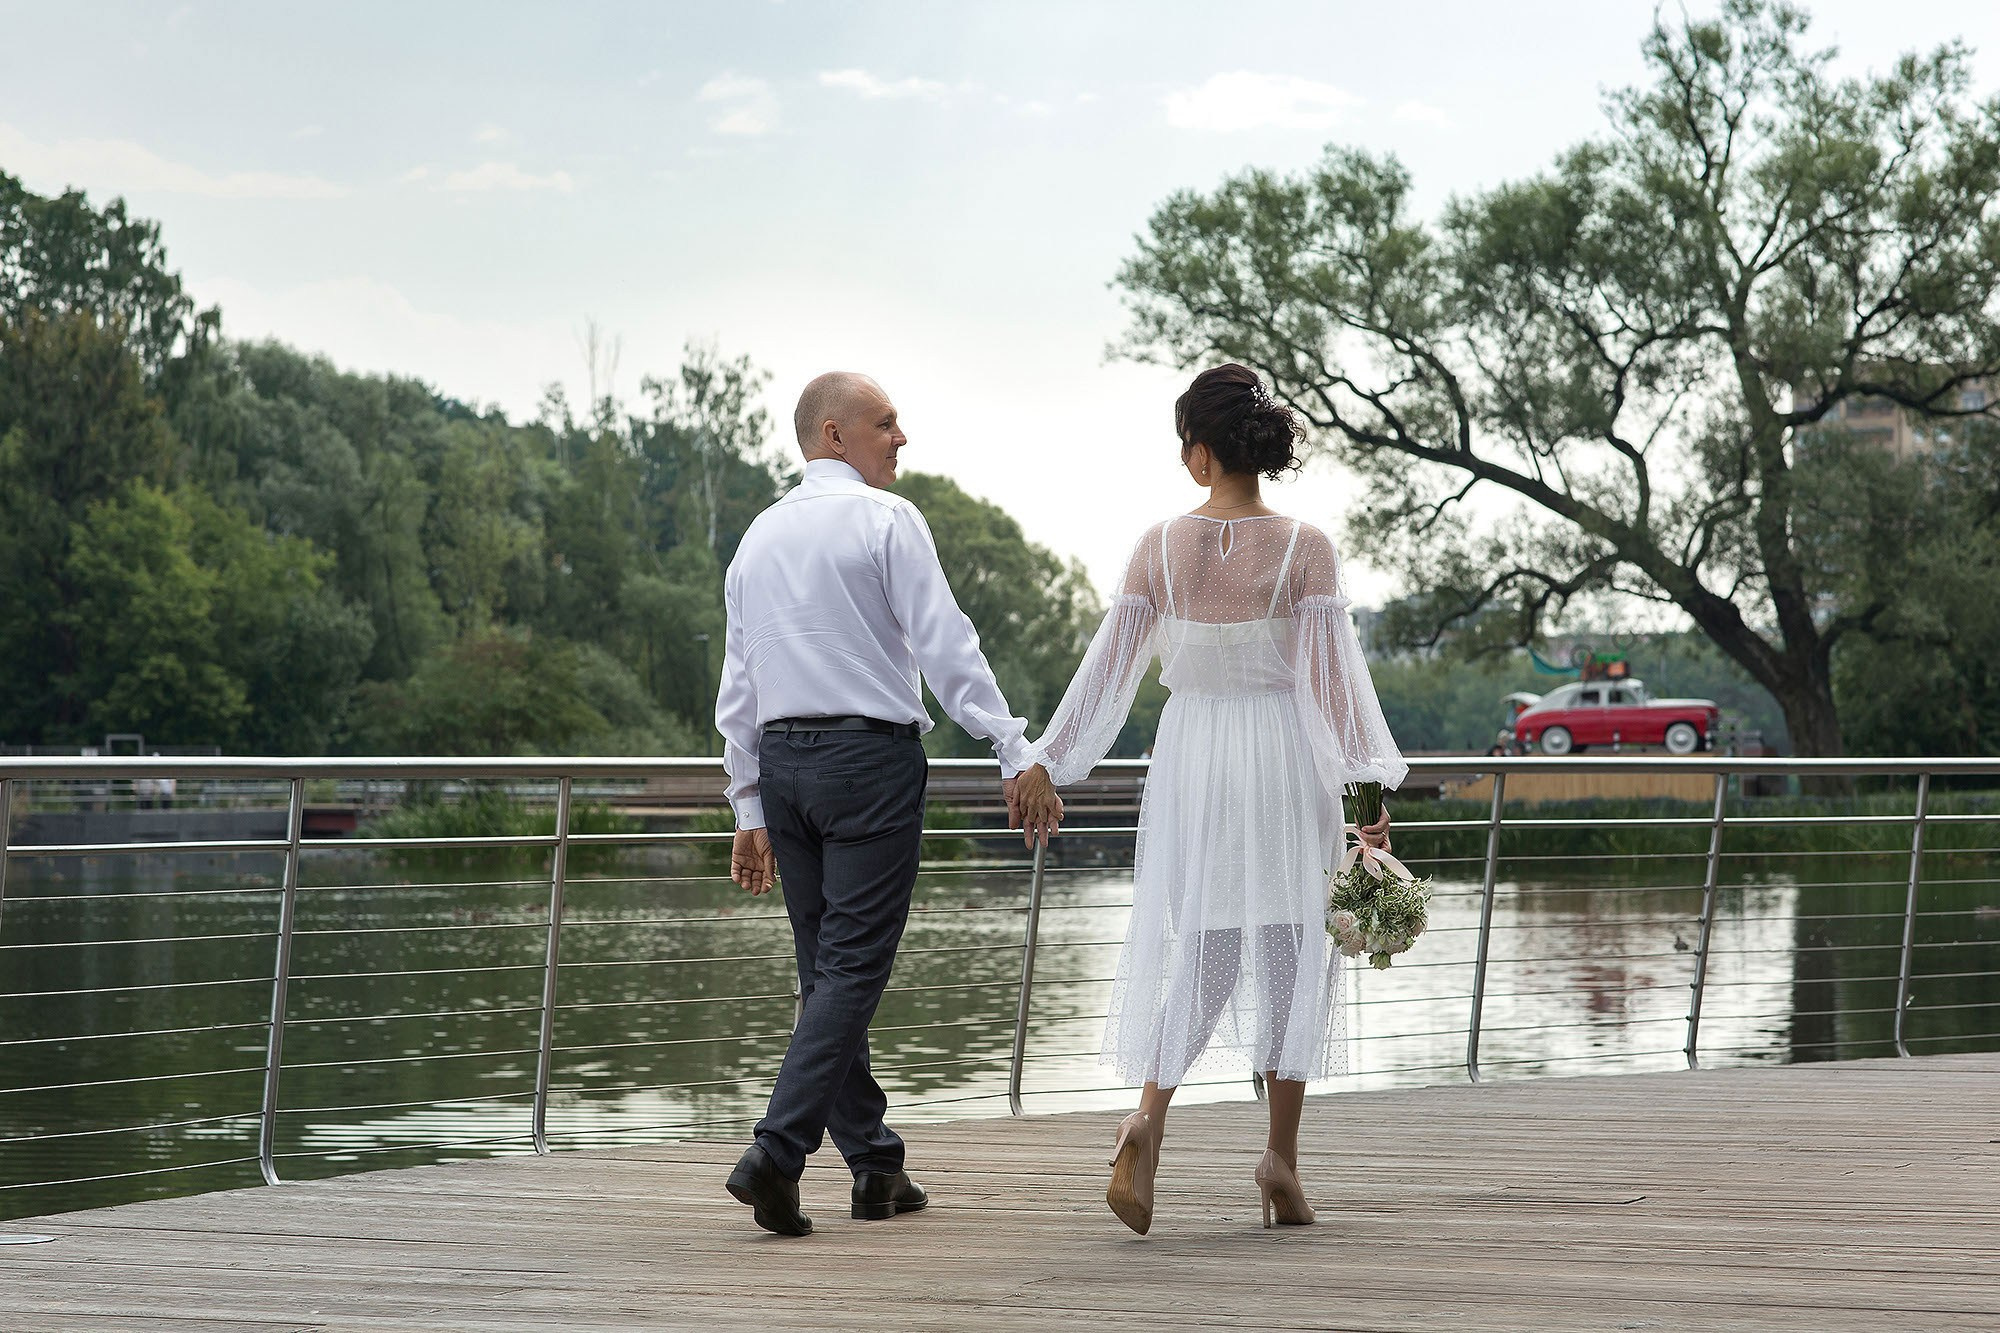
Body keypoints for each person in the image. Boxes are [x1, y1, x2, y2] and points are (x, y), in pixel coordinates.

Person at [1013, 363, 1404, 1236]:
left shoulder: (1156, 547)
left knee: (1208, 948)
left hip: (1191, 760)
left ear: (1199, 454)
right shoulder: (1306, 547)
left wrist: (1047, 759)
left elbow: (1106, 674)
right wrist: (1367, 793)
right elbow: (1338, 689)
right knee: (1294, 949)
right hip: (1282, 759)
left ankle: (1148, 1117)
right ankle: (1279, 1159)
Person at [715, 371, 1059, 1237]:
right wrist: (1012, 747)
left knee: (826, 973)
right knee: (851, 970)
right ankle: (775, 1153)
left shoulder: (756, 538)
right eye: (885, 423)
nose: (901, 437)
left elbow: (738, 685)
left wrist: (747, 803)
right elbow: (948, 646)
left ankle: (874, 1165)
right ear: (833, 434)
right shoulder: (887, 519)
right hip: (868, 762)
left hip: (784, 767)